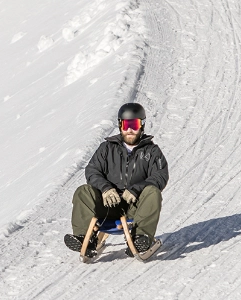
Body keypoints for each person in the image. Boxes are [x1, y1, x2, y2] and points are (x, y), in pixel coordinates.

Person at [65, 103, 169, 256]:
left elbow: (160, 175)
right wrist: (105, 188)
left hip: (135, 206)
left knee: (153, 192)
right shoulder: (106, 148)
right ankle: (84, 237)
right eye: (126, 124)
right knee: (83, 191)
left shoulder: (152, 152)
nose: (130, 130)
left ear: (142, 125)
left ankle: (140, 237)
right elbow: (92, 170)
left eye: (134, 124)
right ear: (120, 125)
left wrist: (136, 189)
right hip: (108, 204)